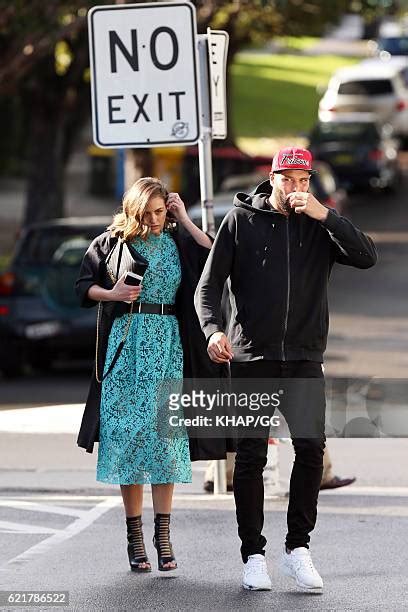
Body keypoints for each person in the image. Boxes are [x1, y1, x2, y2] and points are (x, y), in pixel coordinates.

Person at [194, 147, 377, 592]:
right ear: (271, 178)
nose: (296, 188)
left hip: (303, 356)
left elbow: (366, 255)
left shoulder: (320, 224)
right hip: (252, 357)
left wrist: (326, 215)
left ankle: (298, 549)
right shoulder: (241, 221)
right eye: (287, 180)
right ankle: (253, 555)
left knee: (312, 449)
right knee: (251, 456)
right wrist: (212, 331)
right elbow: (208, 285)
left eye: (303, 180)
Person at [76, 177, 215, 574]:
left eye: (160, 211)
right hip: (125, 347)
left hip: (169, 345)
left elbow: (213, 254)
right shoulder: (111, 241)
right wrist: (113, 294)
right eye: (148, 213)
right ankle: (135, 537)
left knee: (165, 441)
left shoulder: (178, 239)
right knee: (128, 438)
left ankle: (164, 535)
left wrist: (184, 218)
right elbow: (82, 287)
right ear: (133, 210)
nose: (155, 220)